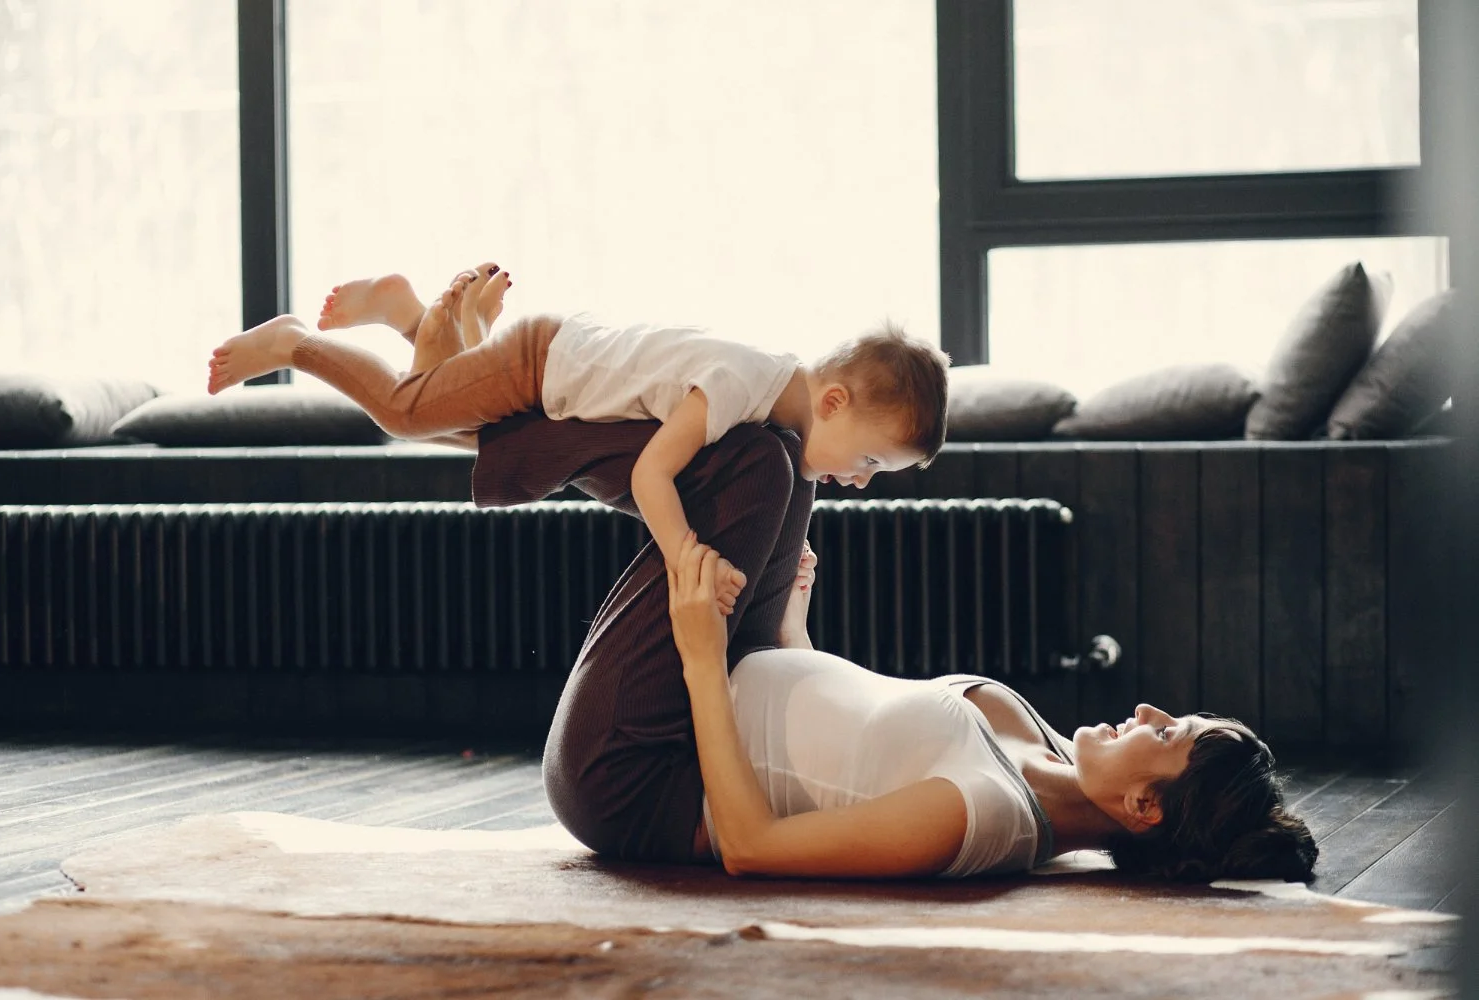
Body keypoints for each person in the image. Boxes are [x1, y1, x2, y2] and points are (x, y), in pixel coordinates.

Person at [465, 406, 1319, 882]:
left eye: (1166, 734)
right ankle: (509, 427)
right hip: (729, 677)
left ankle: (488, 421)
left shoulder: (982, 817)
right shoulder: (1036, 736)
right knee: (788, 450)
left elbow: (752, 845)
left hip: (637, 773)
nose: (1147, 710)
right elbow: (839, 751)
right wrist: (794, 619)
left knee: (758, 464)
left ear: (1144, 808)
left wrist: (698, 653)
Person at [205, 264, 950, 613]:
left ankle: (420, 322)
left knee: (466, 436)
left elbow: (796, 494)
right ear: (834, 398)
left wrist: (793, 558)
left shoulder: (785, 418)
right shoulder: (742, 386)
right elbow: (655, 477)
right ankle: (297, 342)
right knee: (405, 413)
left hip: (562, 381)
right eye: (871, 461)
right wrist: (688, 554)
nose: (861, 478)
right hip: (542, 362)